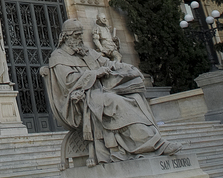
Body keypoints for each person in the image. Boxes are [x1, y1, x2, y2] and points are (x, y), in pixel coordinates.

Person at [45, 19, 181, 165]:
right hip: (81, 99)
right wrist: (96, 73)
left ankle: (152, 142)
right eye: (76, 35)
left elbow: (108, 63)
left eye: (80, 35)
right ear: (66, 36)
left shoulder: (87, 52)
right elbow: (69, 82)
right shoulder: (58, 56)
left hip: (102, 91)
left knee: (135, 96)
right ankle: (150, 144)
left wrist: (127, 68)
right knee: (114, 100)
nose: (80, 39)